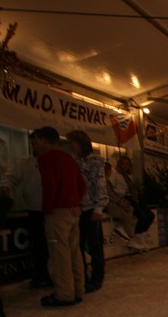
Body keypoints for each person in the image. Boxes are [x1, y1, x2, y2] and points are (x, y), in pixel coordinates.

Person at [34, 126, 87, 307]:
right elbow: (82, 186)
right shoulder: (69, 159)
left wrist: (47, 210)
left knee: (59, 255)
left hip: (58, 213)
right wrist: (75, 202)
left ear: (44, 140)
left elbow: (50, 186)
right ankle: (78, 289)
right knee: (74, 252)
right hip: (73, 212)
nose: (35, 146)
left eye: (37, 142)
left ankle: (64, 294)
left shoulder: (46, 159)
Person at [0, 135, 53, 289]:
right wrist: (5, 186)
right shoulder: (25, 162)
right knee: (38, 245)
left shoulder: (54, 160)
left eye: (37, 143)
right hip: (34, 209)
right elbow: (10, 177)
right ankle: (41, 275)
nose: (34, 146)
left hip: (53, 210)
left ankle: (53, 275)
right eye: (32, 143)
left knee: (52, 245)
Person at [67, 131, 108, 293]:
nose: (71, 145)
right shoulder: (73, 160)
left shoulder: (95, 161)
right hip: (77, 209)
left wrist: (99, 208)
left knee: (95, 245)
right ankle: (81, 276)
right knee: (77, 245)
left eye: (73, 142)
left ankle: (97, 277)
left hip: (91, 208)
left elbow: (100, 184)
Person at [107, 156, 152, 251]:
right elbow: (110, 189)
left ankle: (139, 237)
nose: (125, 166)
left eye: (127, 164)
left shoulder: (129, 176)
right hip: (121, 198)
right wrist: (119, 199)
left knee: (150, 215)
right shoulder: (115, 175)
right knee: (140, 215)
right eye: (123, 164)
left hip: (130, 198)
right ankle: (133, 238)